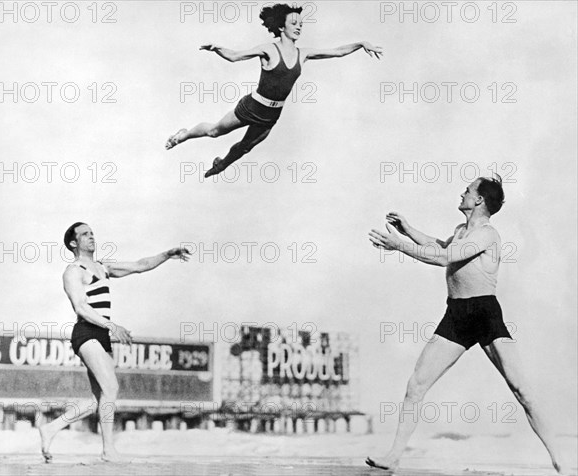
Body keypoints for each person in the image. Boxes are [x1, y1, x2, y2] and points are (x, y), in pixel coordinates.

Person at [366, 177, 572, 475]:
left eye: (467, 190)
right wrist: (408, 231)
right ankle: (394, 456)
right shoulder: (462, 231)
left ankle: (560, 460)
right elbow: (441, 246)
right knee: (416, 386)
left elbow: (446, 258)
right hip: (457, 315)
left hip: (484, 314)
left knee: (521, 390)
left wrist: (398, 246)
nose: (462, 193)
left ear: (479, 201)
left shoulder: (488, 235)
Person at [165, 3, 382, 178]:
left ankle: (221, 165)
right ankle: (182, 136)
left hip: (271, 115)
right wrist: (217, 49)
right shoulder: (269, 49)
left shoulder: (303, 54)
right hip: (252, 106)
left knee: (244, 148)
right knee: (214, 132)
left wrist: (361, 43)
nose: (299, 27)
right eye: (294, 23)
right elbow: (235, 56)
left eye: (301, 24)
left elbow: (337, 52)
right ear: (281, 26)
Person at [38, 222, 190, 463]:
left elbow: (140, 266)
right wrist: (112, 325)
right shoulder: (73, 271)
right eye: (85, 234)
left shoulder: (103, 267)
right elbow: (81, 307)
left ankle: (52, 428)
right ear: (73, 243)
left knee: (99, 399)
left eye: (92, 233)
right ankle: (109, 450)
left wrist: (166, 255)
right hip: (86, 332)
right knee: (112, 388)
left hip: (101, 336)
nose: (91, 237)